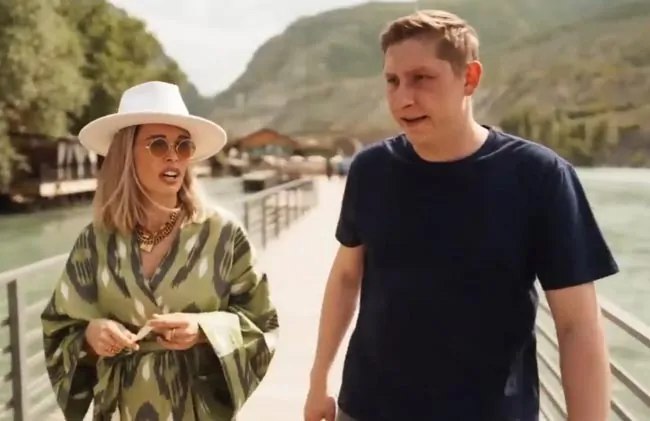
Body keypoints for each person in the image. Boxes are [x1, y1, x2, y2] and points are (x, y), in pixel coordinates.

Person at [304, 9, 618, 421]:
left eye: (421, 78)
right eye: (392, 81)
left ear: (469, 78)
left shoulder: (540, 176)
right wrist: (318, 380)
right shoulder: (370, 170)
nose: (403, 98)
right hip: (367, 409)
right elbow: (347, 276)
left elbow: (578, 325)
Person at [41, 81, 279, 420]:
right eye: (157, 144)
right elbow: (59, 328)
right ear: (126, 154)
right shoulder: (94, 241)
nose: (173, 155)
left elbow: (262, 322)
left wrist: (203, 330)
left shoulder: (223, 234)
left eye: (183, 145)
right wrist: (90, 336)